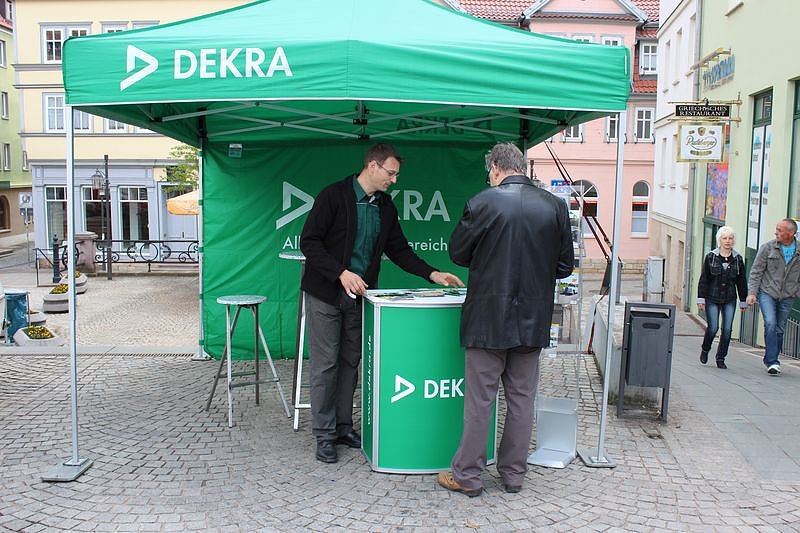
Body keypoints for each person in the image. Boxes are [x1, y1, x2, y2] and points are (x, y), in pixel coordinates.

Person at [299, 143, 464, 463]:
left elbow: (400, 250)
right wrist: (340, 273)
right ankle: (324, 434)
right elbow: (310, 242)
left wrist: (432, 274)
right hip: (324, 294)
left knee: (350, 362)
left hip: (361, 297)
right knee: (326, 365)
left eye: (396, 174)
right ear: (372, 167)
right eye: (391, 173)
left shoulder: (385, 207)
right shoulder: (333, 196)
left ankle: (344, 427)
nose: (394, 180)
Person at [437, 142, 573, 496]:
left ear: (496, 167)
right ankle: (513, 475)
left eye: (489, 171)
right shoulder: (555, 207)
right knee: (522, 400)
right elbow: (564, 266)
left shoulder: (482, 202)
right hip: (533, 320)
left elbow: (457, 253)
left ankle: (468, 476)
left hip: (486, 320)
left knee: (481, 401)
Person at [746, 218, 800, 375]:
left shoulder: (798, 251)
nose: (776, 232)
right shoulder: (768, 248)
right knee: (770, 322)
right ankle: (772, 361)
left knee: (779, 328)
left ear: (791, 233)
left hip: (788, 295)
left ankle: (772, 358)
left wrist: (796, 291)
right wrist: (752, 293)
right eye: (776, 229)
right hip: (768, 292)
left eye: (780, 230)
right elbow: (756, 271)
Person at [696, 226, 748, 369]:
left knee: (727, 329)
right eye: (725, 238)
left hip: (730, 298)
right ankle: (705, 349)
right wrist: (700, 299)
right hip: (712, 297)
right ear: (719, 240)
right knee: (713, 327)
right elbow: (704, 279)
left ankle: (721, 358)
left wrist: (743, 300)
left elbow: (742, 281)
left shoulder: (737, 259)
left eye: (730, 238)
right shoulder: (711, 257)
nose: (728, 241)